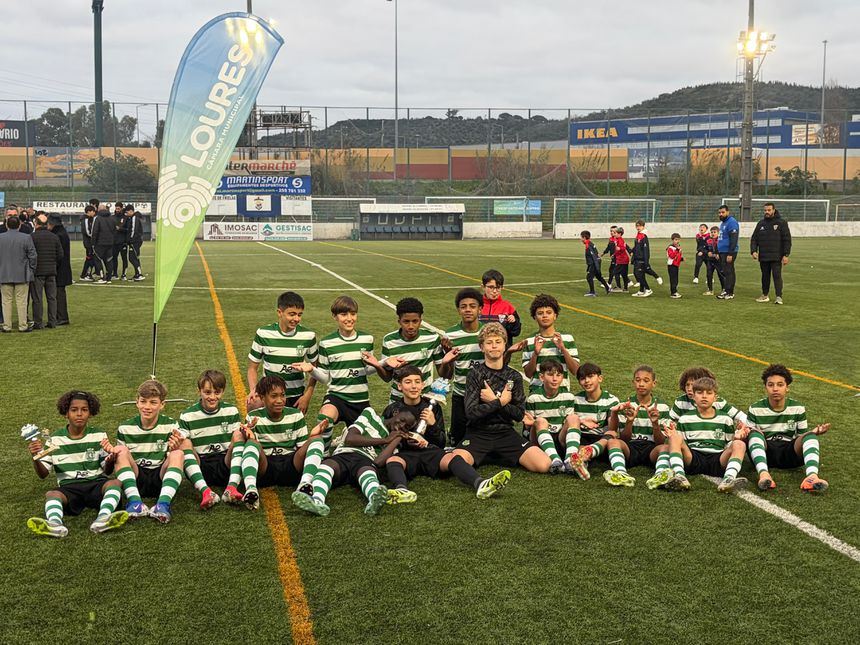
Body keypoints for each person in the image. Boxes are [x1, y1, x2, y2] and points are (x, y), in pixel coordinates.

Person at [445, 322, 552, 481]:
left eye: (498, 342)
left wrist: (494, 400)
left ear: (504, 345)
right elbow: (471, 413)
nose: (494, 346)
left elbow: (519, 414)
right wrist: (500, 402)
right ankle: (487, 461)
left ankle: (494, 454)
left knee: (544, 464)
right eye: (489, 342)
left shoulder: (514, 376)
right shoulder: (475, 374)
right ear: (482, 347)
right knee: (454, 462)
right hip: (479, 433)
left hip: (505, 433)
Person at [25, 390, 129, 538]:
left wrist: (110, 459)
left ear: (90, 413)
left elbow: (106, 471)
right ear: (66, 413)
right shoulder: (55, 439)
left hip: (95, 483)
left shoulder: (99, 434)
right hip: (69, 486)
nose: (79, 414)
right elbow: (43, 474)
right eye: (74, 410)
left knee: (115, 483)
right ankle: (55, 524)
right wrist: (35, 457)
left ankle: (103, 518)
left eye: (84, 410)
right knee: (52, 494)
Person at [291, 295, 388, 446]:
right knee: (325, 417)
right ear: (334, 316)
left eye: (353, 314)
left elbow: (367, 369)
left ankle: (345, 436)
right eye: (343, 314)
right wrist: (311, 369)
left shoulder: (367, 339)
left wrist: (383, 362)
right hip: (337, 397)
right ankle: (324, 453)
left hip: (360, 400)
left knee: (370, 443)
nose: (349, 318)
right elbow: (325, 378)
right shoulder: (327, 343)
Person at [292, 407, 412, 516]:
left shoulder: (394, 442)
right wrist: (385, 440)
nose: (401, 425)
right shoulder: (370, 414)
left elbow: (378, 462)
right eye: (402, 420)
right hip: (345, 453)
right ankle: (317, 500)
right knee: (326, 466)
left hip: (365, 460)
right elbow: (350, 439)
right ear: (395, 413)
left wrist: (397, 438)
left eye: (406, 427)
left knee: (368, 472)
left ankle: (374, 500)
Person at [235, 375, 327, 510]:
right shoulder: (254, 417)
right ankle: (251, 489)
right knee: (251, 444)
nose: (279, 400)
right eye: (274, 396)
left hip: (290, 464)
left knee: (317, 439)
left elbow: (301, 449)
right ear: (262, 398)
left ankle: (305, 484)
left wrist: (312, 437)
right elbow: (254, 449)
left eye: (282, 395)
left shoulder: (296, 415)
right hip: (266, 467)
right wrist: (249, 435)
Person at [101, 379, 184, 523]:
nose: (147, 407)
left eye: (153, 402)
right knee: (120, 450)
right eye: (143, 401)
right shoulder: (125, 428)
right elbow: (118, 463)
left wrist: (175, 448)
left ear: (162, 404)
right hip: (136, 478)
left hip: (161, 478)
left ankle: (163, 504)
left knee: (178, 453)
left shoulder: (171, 425)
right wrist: (111, 458)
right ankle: (135, 503)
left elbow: (173, 455)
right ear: (137, 402)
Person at [746, 364, 829, 493]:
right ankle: (764, 475)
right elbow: (749, 439)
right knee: (753, 434)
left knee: (810, 436)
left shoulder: (798, 408)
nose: (775, 389)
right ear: (765, 387)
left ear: (787, 387)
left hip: (789, 454)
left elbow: (800, 438)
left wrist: (813, 433)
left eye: (780, 385)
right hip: (766, 453)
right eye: (771, 385)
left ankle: (812, 477)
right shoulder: (755, 409)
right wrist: (746, 431)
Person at [662, 376, 750, 493]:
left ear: (715, 397)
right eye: (699, 392)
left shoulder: (725, 419)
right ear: (693, 396)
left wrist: (736, 439)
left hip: (718, 459)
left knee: (740, 444)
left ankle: (729, 479)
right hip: (693, 458)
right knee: (674, 437)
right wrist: (673, 436)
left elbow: (728, 444)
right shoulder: (685, 419)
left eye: (709, 393)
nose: (704, 396)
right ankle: (680, 476)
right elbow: (682, 445)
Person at [177, 369, 243, 509]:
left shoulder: (231, 411)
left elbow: (237, 440)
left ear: (223, 391)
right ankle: (206, 492)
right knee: (184, 442)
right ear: (199, 391)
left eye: (217, 392)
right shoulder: (187, 415)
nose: (212, 397)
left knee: (238, 434)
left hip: (226, 463)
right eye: (207, 392)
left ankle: (231, 487)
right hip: (201, 466)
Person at [381, 365, 446, 504]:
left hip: (430, 453)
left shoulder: (433, 407)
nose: (414, 386)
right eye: (408, 382)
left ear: (423, 385)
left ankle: (479, 482)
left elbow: (441, 443)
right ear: (399, 386)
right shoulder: (392, 410)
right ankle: (401, 490)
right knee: (392, 461)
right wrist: (405, 441)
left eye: (417, 382)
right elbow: (385, 440)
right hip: (405, 455)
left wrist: (433, 424)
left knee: (453, 456)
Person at [247, 291, 318, 413]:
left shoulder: (308, 336)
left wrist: (307, 396)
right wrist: (254, 390)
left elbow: (315, 368)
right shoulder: (263, 333)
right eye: (292, 314)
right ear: (279, 312)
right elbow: (252, 368)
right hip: (270, 395)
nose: (296, 319)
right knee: (253, 405)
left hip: (296, 396)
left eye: (299, 315)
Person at [603, 365, 671, 488]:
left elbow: (660, 442)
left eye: (646, 380)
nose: (641, 384)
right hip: (631, 446)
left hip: (651, 448)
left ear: (654, 383)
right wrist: (629, 421)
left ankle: (659, 475)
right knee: (613, 442)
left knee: (665, 448)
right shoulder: (626, 405)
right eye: (638, 380)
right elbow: (624, 439)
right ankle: (621, 473)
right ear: (633, 382)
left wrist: (655, 423)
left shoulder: (662, 407)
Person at [439, 287, 484, 446]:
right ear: (458, 310)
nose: (468, 310)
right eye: (463, 306)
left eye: (472, 306)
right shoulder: (450, 335)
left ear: (480, 309)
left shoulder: (488, 332)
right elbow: (446, 376)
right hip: (461, 394)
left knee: (482, 438)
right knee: (458, 441)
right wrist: (448, 357)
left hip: (484, 394)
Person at [379, 297, 444, 405]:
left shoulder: (432, 338)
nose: (410, 326)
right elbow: (387, 377)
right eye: (406, 321)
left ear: (420, 321)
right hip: (398, 400)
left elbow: (443, 372)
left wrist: (449, 358)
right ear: (399, 321)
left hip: (424, 400)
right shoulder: (389, 340)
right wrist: (377, 366)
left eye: (415, 321)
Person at [566, 362, 621, 480]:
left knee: (612, 433)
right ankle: (582, 463)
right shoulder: (576, 399)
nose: (586, 381)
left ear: (600, 378)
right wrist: (581, 421)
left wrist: (615, 413)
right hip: (583, 436)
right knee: (576, 442)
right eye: (582, 378)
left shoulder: (611, 400)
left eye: (590, 376)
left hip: (601, 438)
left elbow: (613, 428)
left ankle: (585, 456)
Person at [522, 360, 578, 474]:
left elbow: (568, 423)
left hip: (560, 438)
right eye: (550, 375)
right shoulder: (533, 398)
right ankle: (555, 460)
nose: (555, 379)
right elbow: (527, 430)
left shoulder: (568, 397)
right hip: (540, 440)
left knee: (574, 418)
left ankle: (570, 459)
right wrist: (532, 424)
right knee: (541, 421)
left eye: (558, 375)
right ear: (542, 377)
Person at [518, 293, 579, 391]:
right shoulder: (529, 341)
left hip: (562, 393)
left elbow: (575, 370)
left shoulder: (567, 339)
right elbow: (528, 374)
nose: (545, 316)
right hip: (537, 393)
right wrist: (535, 353)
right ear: (534, 317)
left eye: (549, 312)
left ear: (555, 315)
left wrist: (563, 349)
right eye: (540, 313)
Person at [0, 215, 37, 333]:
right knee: (22, 301)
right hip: (22, 274)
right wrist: (31, 269)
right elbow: (33, 256)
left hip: (4, 273)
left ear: (7, 225)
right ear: (19, 225)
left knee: (6, 301)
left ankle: (7, 326)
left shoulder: (1, 237)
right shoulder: (26, 238)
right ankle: (22, 325)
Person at [750, 202, 791, 305]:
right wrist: (753, 251)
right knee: (765, 277)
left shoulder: (781, 223)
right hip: (763, 256)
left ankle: (779, 297)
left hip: (776, 256)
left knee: (777, 276)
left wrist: (786, 255)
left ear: (774, 210)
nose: (767, 212)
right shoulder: (761, 223)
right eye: (765, 210)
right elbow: (754, 238)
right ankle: (765, 295)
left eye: (769, 210)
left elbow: (787, 240)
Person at [30, 214, 64, 330]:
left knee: (37, 299)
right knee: (52, 298)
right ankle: (52, 321)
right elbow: (60, 254)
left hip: (37, 272)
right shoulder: (54, 237)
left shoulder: (32, 237)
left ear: (36, 224)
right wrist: (54, 264)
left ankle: (38, 322)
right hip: (51, 271)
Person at [478, 269, 520, 350]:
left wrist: (514, 322)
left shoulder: (508, 307)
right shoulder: (477, 306)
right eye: (491, 287)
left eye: (498, 287)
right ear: (483, 287)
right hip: (479, 353)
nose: (494, 291)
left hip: (502, 355)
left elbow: (516, 332)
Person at [47, 214, 72, 326]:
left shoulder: (58, 235)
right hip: (63, 268)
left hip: (60, 268)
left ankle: (62, 317)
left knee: (59, 293)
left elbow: (58, 254)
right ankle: (60, 316)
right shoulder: (62, 232)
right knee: (59, 292)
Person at [631, 219, 661, 297]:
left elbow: (646, 250)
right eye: (637, 226)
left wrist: (646, 261)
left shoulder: (644, 236)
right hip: (637, 258)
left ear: (643, 226)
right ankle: (641, 291)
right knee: (640, 274)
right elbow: (637, 246)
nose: (638, 227)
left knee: (639, 275)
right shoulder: (638, 235)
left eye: (640, 226)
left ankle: (648, 289)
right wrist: (632, 251)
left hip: (641, 259)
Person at [716, 204, 739, 300]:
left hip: (728, 252)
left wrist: (730, 253)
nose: (721, 214)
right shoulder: (723, 223)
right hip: (722, 251)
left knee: (729, 271)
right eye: (719, 213)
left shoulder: (732, 222)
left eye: (723, 212)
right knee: (726, 271)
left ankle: (729, 292)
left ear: (728, 212)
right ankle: (727, 290)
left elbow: (734, 238)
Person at [580, 230, 611, 297]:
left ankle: (592, 292)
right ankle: (608, 288)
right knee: (599, 277)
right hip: (594, 263)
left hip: (594, 264)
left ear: (584, 237)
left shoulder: (589, 245)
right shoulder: (590, 243)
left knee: (589, 277)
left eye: (581, 237)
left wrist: (596, 267)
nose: (581, 239)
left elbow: (594, 257)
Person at [90, 208, 115, 284]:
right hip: (110, 243)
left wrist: (93, 243)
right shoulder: (111, 218)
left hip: (100, 243)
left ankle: (101, 277)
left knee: (97, 259)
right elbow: (114, 230)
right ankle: (109, 278)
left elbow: (94, 231)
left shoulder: (97, 218)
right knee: (109, 260)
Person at [111, 203, 130, 280]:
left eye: (118, 208)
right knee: (114, 258)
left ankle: (124, 275)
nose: (117, 210)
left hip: (123, 242)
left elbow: (128, 229)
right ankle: (114, 274)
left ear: (122, 208)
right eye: (116, 208)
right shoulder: (112, 217)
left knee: (124, 259)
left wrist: (120, 229)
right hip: (114, 242)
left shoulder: (126, 218)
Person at [79, 204, 98, 281]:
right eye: (93, 211)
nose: (94, 213)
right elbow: (87, 232)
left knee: (91, 259)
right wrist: (95, 236)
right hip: (88, 243)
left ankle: (87, 274)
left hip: (91, 243)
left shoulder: (89, 219)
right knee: (89, 259)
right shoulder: (85, 220)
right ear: (89, 212)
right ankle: (84, 275)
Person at [703, 226, 723, 296]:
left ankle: (724, 289)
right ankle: (710, 290)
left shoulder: (720, 241)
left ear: (718, 233)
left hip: (718, 261)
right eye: (712, 232)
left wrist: (719, 254)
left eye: (715, 232)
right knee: (709, 275)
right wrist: (707, 252)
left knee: (721, 275)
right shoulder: (708, 240)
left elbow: (723, 249)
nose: (713, 233)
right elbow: (704, 248)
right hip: (710, 260)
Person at [127, 209, 146, 281]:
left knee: (132, 258)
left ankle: (139, 274)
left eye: (127, 212)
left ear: (131, 211)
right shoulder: (136, 217)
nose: (126, 213)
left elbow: (134, 230)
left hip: (135, 241)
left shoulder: (134, 218)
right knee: (135, 257)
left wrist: (130, 239)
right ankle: (137, 274)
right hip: (137, 240)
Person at [611, 226, 631, 292]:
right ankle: (625, 288)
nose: (614, 234)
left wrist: (620, 248)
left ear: (619, 234)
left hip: (622, 260)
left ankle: (618, 287)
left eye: (615, 233)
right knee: (624, 274)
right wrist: (614, 254)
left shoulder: (620, 240)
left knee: (615, 272)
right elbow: (618, 249)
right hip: (624, 260)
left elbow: (623, 247)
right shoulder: (618, 240)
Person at [666, 233, 684, 299]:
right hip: (671, 265)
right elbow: (671, 256)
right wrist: (677, 250)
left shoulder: (678, 247)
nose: (677, 241)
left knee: (676, 280)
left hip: (676, 265)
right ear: (672, 240)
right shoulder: (670, 247)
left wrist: (681, 259)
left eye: (678, 239)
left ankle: (674, 292)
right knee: (673, 280)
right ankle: (673, 293)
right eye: (676, 240)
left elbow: (678, 255)